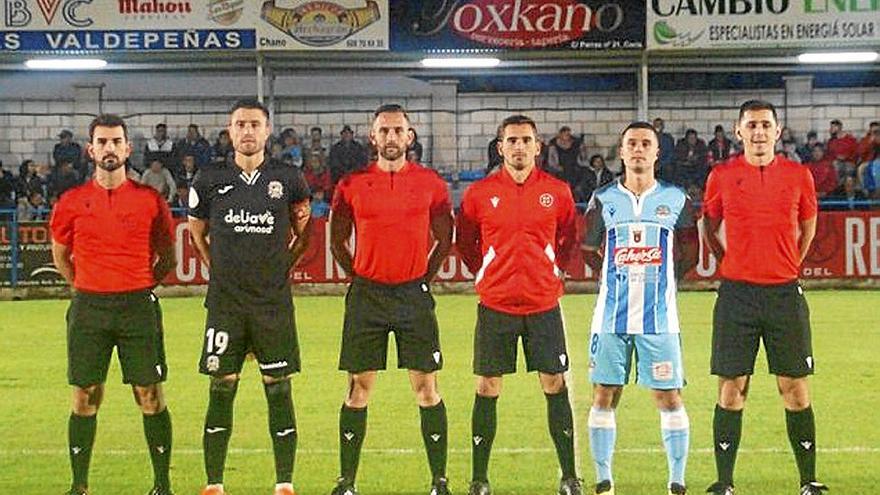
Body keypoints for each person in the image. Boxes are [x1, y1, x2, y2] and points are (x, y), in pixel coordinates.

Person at [328, 103, 454, 495]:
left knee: (427, 389)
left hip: (412, 296)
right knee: (358, 390)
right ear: (373, 137)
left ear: (409, 137)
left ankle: (439, 481)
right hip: (367, 297)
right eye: (384, 131)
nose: (391, 137)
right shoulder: (352, 184)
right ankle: (346, 483)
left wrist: (422, 279)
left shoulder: (430, 183)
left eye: (398, 130)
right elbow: (337, 239)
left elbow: (444, 237)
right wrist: (359, 275)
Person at [702, 100, 826, 495]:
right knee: (732, 389)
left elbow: (807, 227)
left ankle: (808, 481)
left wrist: (788, 264)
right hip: (737, 296)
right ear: (738, 131)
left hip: (784, 295)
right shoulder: (721, 175)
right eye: (751, 125)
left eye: (765, 125)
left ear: (777, 131)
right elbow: (709, 224)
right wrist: (730, 263)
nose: (758, 132)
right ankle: (724, 483)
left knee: (794, 389)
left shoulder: (798, 175)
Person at [188, 99, 312, 495]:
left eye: (254, 124)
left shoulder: (289, 179)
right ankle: (214, 483)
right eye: (240, 124)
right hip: (225, 304)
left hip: (272, 305)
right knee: (221, 386)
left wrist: (281, 269)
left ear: (267, 130)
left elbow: (304, 231)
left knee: (278, 385)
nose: (247, 131)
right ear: (229, 129)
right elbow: (196, 233)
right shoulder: (208, 180)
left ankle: (284, 483)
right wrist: (218, 270)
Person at [49, 114, 176, 495]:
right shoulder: (71, 202)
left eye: (115, 141)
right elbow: (60, 255)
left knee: (149, 393)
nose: (109, 148)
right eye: (102, 142)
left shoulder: (149, 200)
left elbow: (167, 256)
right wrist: (85, 287)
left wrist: (140, 287)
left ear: (127, 148)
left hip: (137, 307)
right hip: (89, 308)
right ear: (91, 149)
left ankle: (161, 485)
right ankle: (79, 486)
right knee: (85, 394)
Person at [456, 115, 581, 495]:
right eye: (512, 140)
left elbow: (568, 238)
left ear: (538, 147)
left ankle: (569, 475)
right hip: (496, 304)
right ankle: (479, 479)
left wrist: (551, 269)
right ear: (501, 148)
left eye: (526, 140)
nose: (519, 146)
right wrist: (487, 273)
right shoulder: (479, 193)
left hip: (543, 303)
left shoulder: (557, 191)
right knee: (488, 386)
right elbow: (466, 242)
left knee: (554, 383)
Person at [581, 122, 699, 495]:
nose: (638, 149)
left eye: (645, 143)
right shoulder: (602, 198)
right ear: (621, 151)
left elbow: (690, 252)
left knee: (669, 396)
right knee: (604, 394)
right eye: (631, 143)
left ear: (656, 152)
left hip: (659, 320)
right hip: (610, 318)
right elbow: (588, 250)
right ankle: (604, 481)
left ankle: (676, 481)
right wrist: (612, 280)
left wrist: (663, 281)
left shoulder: (677, 199)